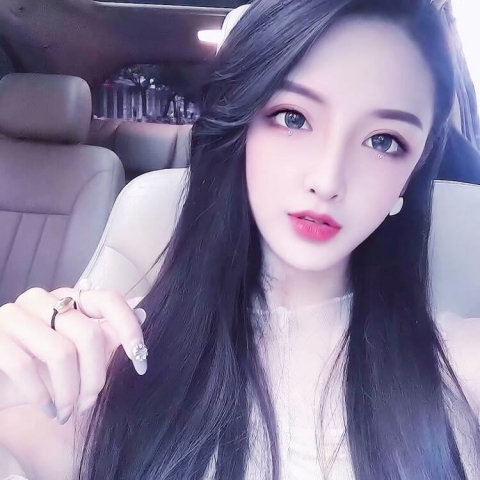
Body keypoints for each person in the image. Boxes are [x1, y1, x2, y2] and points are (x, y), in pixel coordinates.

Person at [0, 0, 479, 478]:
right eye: (293, 118)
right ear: (241, 127)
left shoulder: (461, 364)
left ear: (412, 173)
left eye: (383, 141)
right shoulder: (118, 352)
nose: (327, 179)